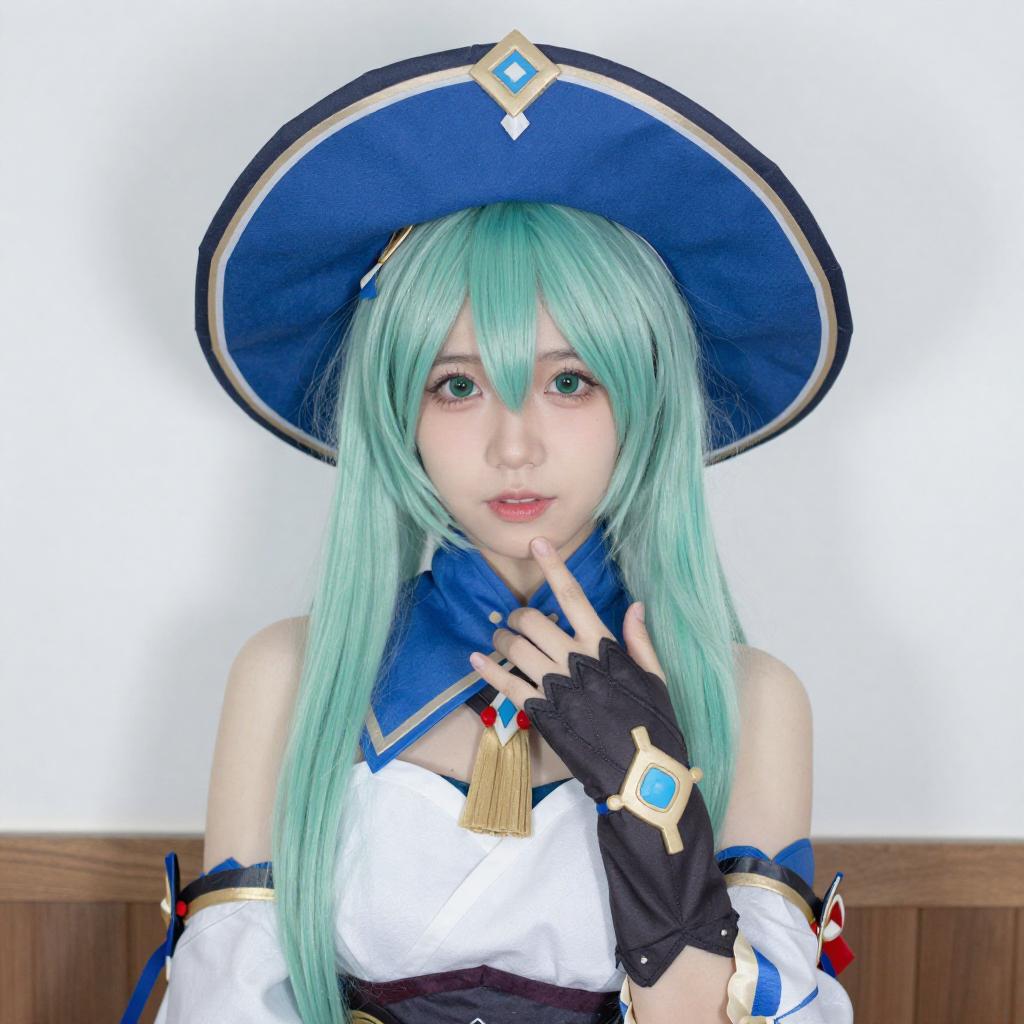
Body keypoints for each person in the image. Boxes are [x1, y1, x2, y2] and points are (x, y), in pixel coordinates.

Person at [121, 30, 856, 1024]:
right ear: (398, 412)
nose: (515, 445)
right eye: (458, 385)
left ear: (644, 398)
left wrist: (650, 804)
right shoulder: (291, 678)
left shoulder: (748, 698)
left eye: (570, 381)